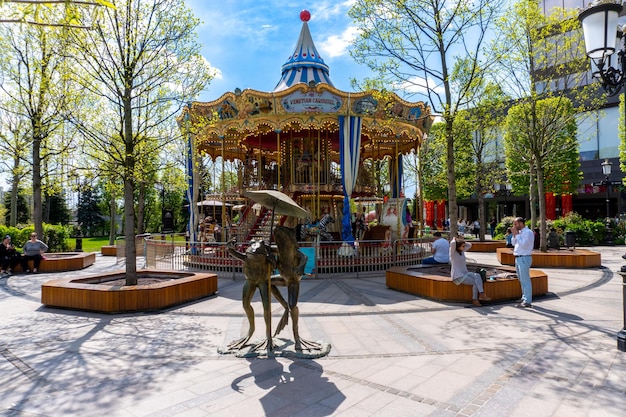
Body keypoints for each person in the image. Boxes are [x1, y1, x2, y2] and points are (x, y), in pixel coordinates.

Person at [449, 235, 491, 307]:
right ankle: (476, 299)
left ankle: (481, 294)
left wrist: (462, 240)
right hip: (458, 275)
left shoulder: (462, 251)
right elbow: (452, 244)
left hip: (465, 273)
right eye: (462, 246)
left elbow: (470, 245)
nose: (464, 247)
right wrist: (454, 239)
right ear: (457, 246)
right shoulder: (453, 253)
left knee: (477, 276)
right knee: (475, 282)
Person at [511, 217, 534, 308]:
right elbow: (513, 243)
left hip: (524, 257)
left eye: (516, 224)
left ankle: (527, 300)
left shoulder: (528, 232)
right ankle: (524, 297)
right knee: (521, 280)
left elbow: (524, 245)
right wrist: (514, 235)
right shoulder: (519, 233)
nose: (515, 226)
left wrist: (517, 235)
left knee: (525, 280)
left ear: (521, 223)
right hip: (518, 257)